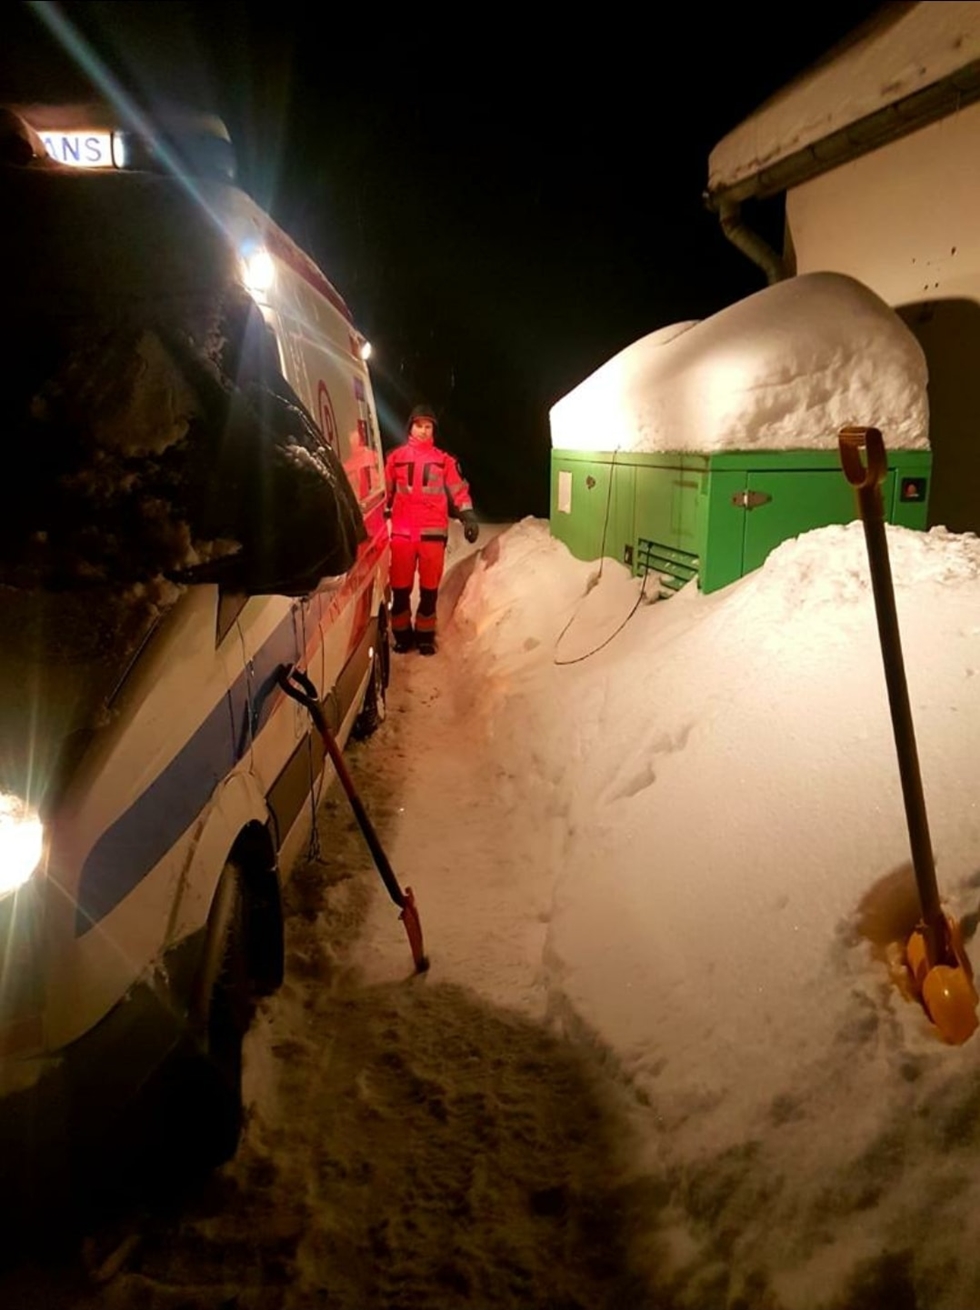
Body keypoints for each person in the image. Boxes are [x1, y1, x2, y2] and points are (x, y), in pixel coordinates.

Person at [384, 403, 479, 655]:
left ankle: (425, 635)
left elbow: (459, 489)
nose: (423, 431)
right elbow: (384, 491)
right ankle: (402, 635)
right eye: (419, 425)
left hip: (433, 535)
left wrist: (468, 515)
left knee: (428, 590)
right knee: (400, 590)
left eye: (428, 426)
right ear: (410, 427)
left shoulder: (444, 461)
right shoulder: (395, 458)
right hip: (402, 535)